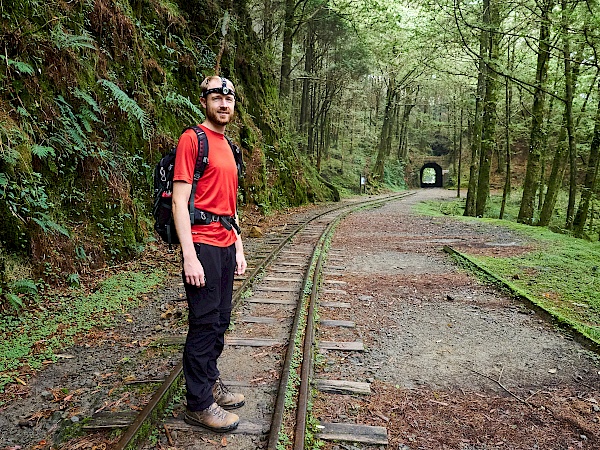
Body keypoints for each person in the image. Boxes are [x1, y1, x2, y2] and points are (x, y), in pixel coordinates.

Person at [172, 76, 247, 432]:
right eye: (217, 98)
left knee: (220, 321)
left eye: (229, 100)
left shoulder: (230, 147)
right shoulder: (193, 139)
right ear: (204, 101)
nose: (224, 105)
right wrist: (188, 254)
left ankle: (211, 382)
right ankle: (199, 404)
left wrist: (240, 246)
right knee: (203, 325)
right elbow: (179, 201)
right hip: (201, 244)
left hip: (225, 245)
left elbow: (230, 206)